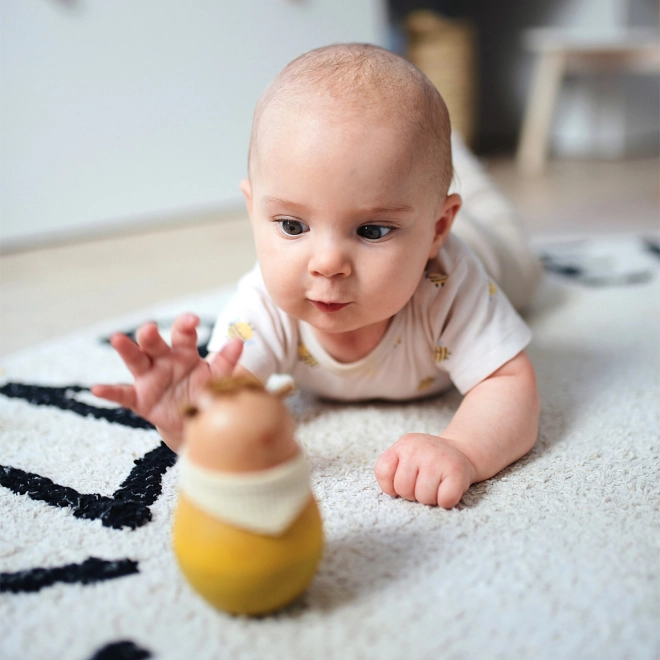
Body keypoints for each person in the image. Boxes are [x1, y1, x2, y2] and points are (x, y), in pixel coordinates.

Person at [93, 43, 541, 509]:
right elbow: (227, 411)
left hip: (494, 251)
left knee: (525, 262)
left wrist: (463, 449)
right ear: (253, 211)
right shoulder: (262, 306)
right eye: (292, 226)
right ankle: (445, 168)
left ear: (437, 228)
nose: (327, 263)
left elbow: (509, 384)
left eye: (371, 229)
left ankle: (462, 164)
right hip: (425, 210)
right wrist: (186, 417)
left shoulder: (451, 285)